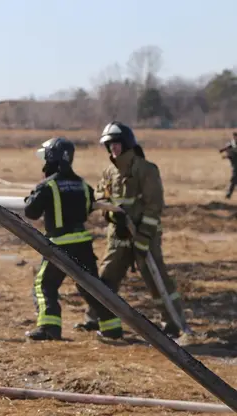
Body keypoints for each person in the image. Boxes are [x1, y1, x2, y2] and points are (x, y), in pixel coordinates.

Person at [78, 121, 187, 338]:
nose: (113, 149)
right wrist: (112, 216)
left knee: (156, 279)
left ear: (127, 143)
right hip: (118, 235)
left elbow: (154, 206)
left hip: (144, 235)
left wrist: (144, 236)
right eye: (109, 145)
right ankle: (95, 316)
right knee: (107, 276)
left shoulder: (146, 169)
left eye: (116, 144)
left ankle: (174, 323)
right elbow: (100, 196)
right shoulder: (109, 172)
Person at [23, 137, 123, 341]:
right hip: (83, 246)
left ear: (52, 157)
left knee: (44, 286)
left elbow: (31, 212)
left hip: (59, 246)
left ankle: (49, 328)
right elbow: (88, 208)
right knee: (92, 288)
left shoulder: (48, 186)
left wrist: (32, 196)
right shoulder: (82, 185)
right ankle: (112, 328)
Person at [219, 134, 237, 199]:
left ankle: (228, 194)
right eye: (235, 137)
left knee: (234, 180)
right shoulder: (231, 144)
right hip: (235, 164)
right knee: (234, 179)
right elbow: (228, 152)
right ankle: (228, 194)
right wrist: (226, 155)